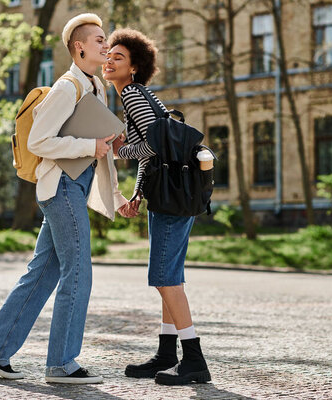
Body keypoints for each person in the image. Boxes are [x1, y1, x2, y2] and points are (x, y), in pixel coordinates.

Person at [0, 13, 137, 384]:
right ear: (79, 47)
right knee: (78, 270)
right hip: (60, 185)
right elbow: (39, 142)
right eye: (98, 40)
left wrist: (116, 195)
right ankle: (62, 363)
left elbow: (102, 154)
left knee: (42, 274)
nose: (105, 45)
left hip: (72, 187)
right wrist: (90, 144)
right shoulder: (67, 87)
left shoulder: (96, 87)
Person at [103, 28, 211, 386]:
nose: (110, 60)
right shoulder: (140, 94)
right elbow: (156, 149)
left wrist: (118, 151)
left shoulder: (132, 94)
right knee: (170, 277)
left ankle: (193, 359)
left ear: (133, 67)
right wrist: (136, 193)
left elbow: (150, 146)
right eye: (109, 55)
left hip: (170, 199)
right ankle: (167, 354)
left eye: (118, 57)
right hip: (177, 194)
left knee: (166, 279)